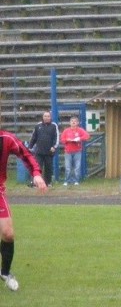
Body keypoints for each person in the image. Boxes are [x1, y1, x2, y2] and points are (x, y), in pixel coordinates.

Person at [0, 130, 48, 291]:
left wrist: (36, 174)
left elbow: (26, 154)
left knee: (8, 233)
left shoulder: (6, 138)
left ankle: (5, 273)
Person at [28, 111, 60, 187]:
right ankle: (35, 183)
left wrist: (54, 146)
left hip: (49, 151)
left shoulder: (54, 126)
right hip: (38, 151)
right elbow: (33, 138)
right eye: (45, 116)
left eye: (48, 116)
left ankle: (48, 183)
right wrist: (29, 147)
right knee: (37, 168)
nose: (46, 118)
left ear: (50, 117)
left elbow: (56, 137)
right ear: (42, 117)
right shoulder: (38, 126)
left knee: (48, 168)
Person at [59, 116, 90, 186]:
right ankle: (67, 180)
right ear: (70, 123)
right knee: (68, 167)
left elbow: (87, 136)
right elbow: (62, 139)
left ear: (77, 123)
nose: (73, 122)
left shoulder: (80, 130)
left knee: (77, 167)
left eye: (75, 121)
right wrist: (68, 140)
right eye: (72, 121)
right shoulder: (66, 130)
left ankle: (76, 181)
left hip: (77, 151)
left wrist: (79, 138)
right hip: (68, 152)